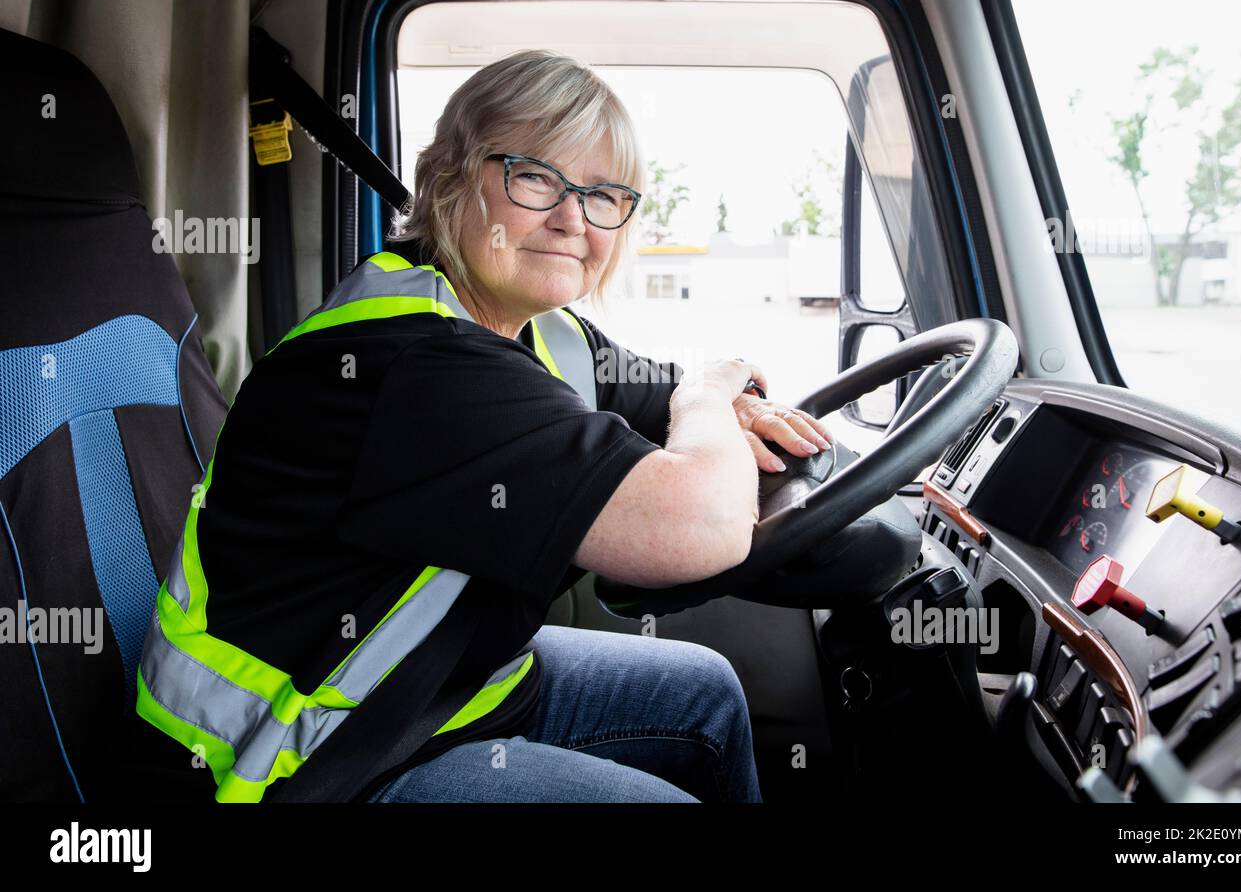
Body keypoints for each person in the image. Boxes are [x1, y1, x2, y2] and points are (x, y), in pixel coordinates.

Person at [131, 49, 835, 803]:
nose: (573, 218)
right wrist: (708, 400)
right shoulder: (413, 362)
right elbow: (702, 522)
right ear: (449, 176)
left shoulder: (545, 332)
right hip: (301, 763)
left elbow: (665, 394)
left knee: (703, 693)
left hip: (439, 695)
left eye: (603, 194)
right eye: (535, 177)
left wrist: (726, 402)